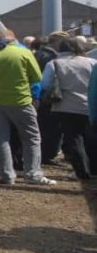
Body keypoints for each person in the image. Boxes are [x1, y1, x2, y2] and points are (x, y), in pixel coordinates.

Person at [0, 29, 54, 185]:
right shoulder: (23, 53)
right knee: (31, 138)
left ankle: (7, 175)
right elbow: (37, 77)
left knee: (1, 139)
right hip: (21, 101)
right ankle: (33, 174)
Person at [39, 37, 95, 181]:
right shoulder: (92, 62)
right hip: (90, 105)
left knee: (74, 138)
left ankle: (81, 171)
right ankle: (93, 168)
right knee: (90, 138)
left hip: (66, 106)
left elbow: (45, 85)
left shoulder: (55, 63)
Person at [34, 31, 67, 164]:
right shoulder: (50, 57)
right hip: (49, 97)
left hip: (40, 96)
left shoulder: (39, 54)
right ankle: (47, 155)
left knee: (43, 127)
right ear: (56, 42)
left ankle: (43, 154)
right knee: (52, 128)